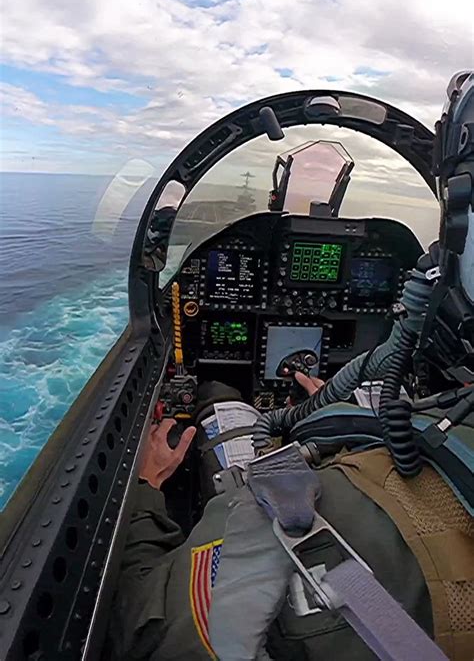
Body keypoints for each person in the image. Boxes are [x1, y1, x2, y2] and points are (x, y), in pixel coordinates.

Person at [112, 73, 473, 661]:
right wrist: (340, 399)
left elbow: (147, 629)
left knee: (224, 404)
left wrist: (149, 488)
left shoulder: (347, 531)